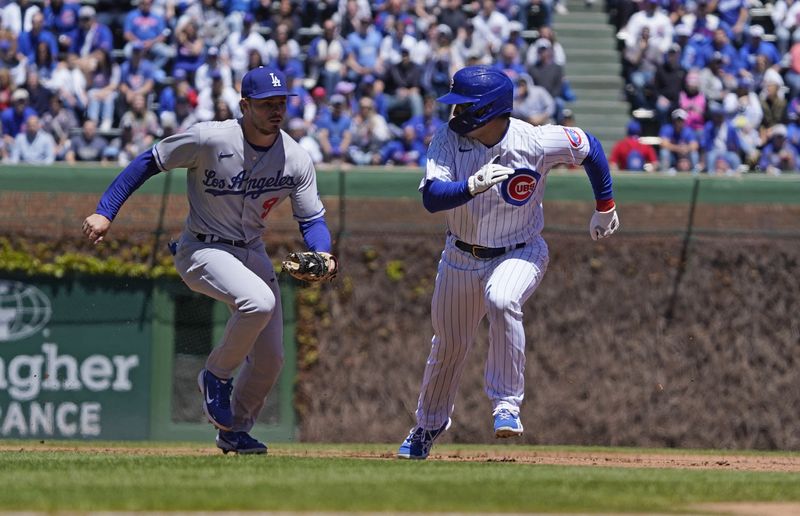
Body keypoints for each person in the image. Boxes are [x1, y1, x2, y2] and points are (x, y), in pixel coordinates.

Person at [81, 67, 336, 454]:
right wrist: (105, 211)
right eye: (267, 103)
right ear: (244, 105)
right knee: (259, 302)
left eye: (281, 103)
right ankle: (215, 375)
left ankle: (233, 431)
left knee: (271, 359)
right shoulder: (209, 137)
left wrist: (322, 252)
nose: (276, 110)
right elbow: (149, 161)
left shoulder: (295, 157)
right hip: (202, 248)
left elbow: (312, 219)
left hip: (251, 250)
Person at [398, 66, 619, 460]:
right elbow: (432, 198)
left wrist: (606, 206)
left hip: (521, 250)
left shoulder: (533, 141)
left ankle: (506, 405)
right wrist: (471, 185)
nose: (455, 113)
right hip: (461, 256)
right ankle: (427, 426)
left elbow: (589, 146)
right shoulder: (447, 140)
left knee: (502, 299)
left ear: (488, 109)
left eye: (464, 105)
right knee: (448, 345)